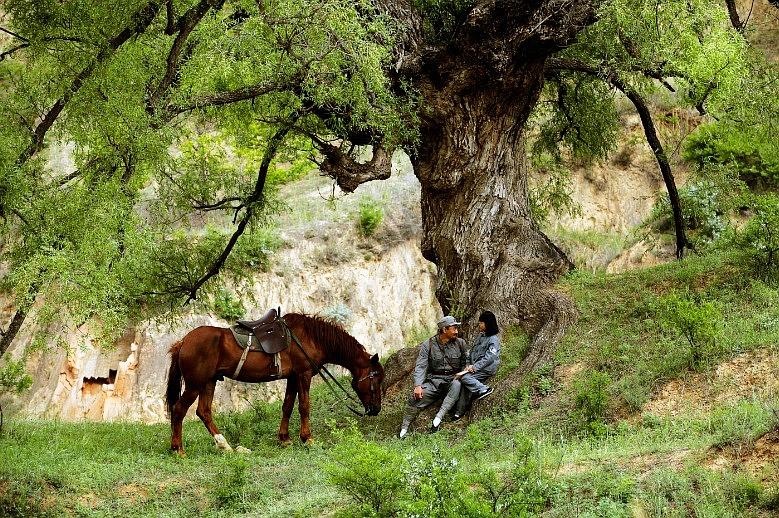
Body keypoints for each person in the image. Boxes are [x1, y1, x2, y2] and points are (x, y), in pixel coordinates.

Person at [398, 315, 468, 438]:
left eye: (457, 328)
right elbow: (421, 366)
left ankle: (438, 419)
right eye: (454, 328)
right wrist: (418, 385)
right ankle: (404, 429)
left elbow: (465, 363)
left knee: (457, 385)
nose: (457, 331)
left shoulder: (460, 343)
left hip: (452, 380)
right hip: (434, 382)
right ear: (444, 330)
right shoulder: (428, 345)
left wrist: (463, 373)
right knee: (415, 398)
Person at [452, 310, 500, 420]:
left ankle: (484, 389)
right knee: (464, 382)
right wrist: (468, 364)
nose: (479, 325)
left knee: (464, 377)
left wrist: (475, 367)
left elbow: (490, 357)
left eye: (481, 323)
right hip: (474, 366)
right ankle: (459, 412)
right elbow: (472, 351)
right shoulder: (480, 336)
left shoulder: (493, 340)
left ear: (487, 323)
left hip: (486, 369)